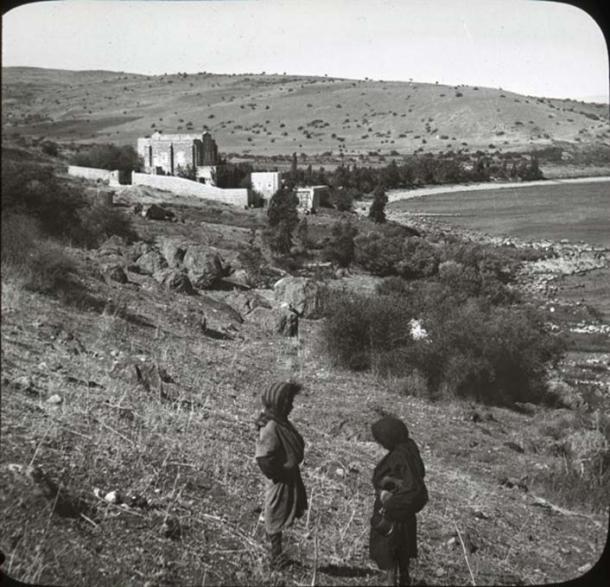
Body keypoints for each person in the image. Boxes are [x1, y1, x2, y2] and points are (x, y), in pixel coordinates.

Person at [369, 416, 427, 587]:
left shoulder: (398, 456)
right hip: (406, 513)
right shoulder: (410, 448)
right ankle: (404, 579)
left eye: (382, 440)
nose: (382, 444)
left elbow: (403, 482)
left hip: (393, 511)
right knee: (403, 550)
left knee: (390, 550)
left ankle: (391, 582)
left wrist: (387, 484)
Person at [255, 381, 308, 567]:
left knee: (280, 512)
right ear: (278, 403)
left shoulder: (281, 423)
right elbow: (263, 458)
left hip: (287, 476)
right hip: (280, 478)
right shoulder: (271, 427)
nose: (292, 406)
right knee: (275, 513)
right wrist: (279, 472)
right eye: (288, 401)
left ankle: (276, 553)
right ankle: (275, 555)